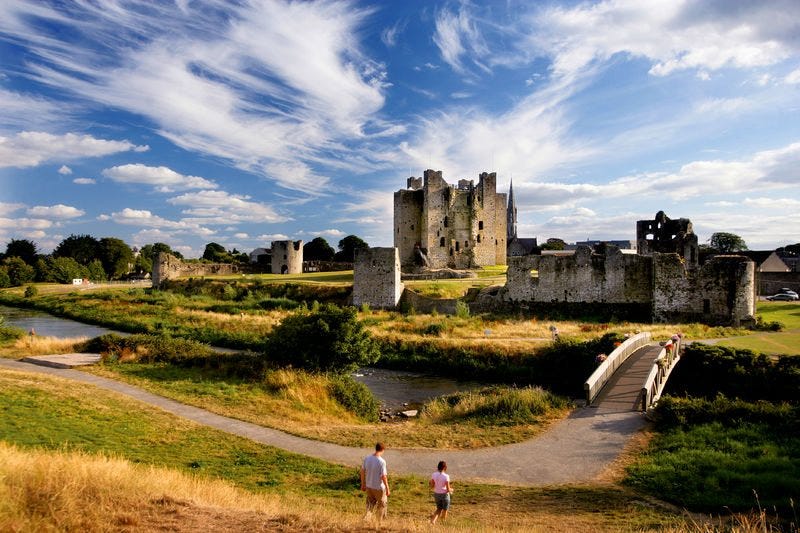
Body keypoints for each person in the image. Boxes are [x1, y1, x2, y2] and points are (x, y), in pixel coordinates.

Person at [360, 442, 390, 520]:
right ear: (383, 450)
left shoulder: (367, 458)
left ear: (376, 448)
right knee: (382, 506)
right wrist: (387, 488)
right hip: (379, 488)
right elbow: (384, 476)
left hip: (369, 487)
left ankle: (366, 520)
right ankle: (379, 523)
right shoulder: (382, 461)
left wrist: (363, 484)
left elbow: (362, 471)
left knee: (370, 506)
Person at [429, 460, 453, 524]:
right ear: (445, 467)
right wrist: (452, 490)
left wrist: (430, 483)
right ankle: (443, 523)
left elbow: (432, 486)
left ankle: (433, 521)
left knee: (439, 509)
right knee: (445, 509)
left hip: (436, 494)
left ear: (438, 467)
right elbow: (448, 489)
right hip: (444, 495)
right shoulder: (446, 476)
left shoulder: (433, 474)